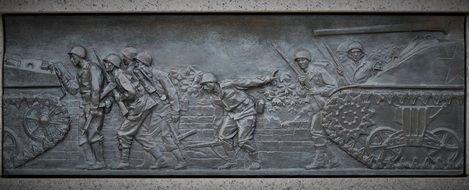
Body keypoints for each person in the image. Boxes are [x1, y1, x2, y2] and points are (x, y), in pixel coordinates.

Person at [101, 52, 167, 170]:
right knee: (141, 134)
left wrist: (120, 97)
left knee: (123, 133)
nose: (105, 64)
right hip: (145, 104)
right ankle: (161, 158)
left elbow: (131, 92)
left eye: (107, 63)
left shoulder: (120, 75)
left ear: (113, 64)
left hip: (139, 106)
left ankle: (124, 162)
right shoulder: (117, 74)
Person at [199, 70, 277, 170]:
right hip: (233, 115)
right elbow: (217, 116)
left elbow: (249, 82)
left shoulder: (229, 85)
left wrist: (267, 79)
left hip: (247, 112)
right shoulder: (214, 98)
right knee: (223, 137)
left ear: (212, 82)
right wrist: (216, 133)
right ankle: (232, 161)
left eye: (205, 85)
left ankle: (256, 161)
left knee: (244, 141)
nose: (204, 88)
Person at [133, 51, 187, 169]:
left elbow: (172, 93)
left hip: (166, 111)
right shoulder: (143, 78)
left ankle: (181, 160)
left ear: (144, 64)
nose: (137, 67)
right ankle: (150, 162)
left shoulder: (159, 74)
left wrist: (175, 111)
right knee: (149, 137)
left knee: (166, 137)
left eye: (139, 64)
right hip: (155, 112)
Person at [289, 49, 340, 169]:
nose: (301, 62)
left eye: (303, 59)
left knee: (316, 132)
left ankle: (319, 161)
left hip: (324, 106)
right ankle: (333, 159)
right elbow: (301, 94)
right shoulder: (302, 75)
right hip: (313, 107)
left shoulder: (319, 70)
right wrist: (301, 84)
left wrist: (319, 90)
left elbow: (334, 86)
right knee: (316, 133)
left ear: (308, 60)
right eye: (298, 60)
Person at [64, 46, 111, 170]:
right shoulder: (80, 70)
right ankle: (90, 162)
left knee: (93, 135)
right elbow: (74, 90)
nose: (71, 59)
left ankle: (100, 163)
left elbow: (96, 88)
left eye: (72, 57)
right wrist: (61, 74)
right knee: (82, 133)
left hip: (94, 106)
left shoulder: (93, 67)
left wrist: (94, 106)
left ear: (79, 56)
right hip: (84, 106)